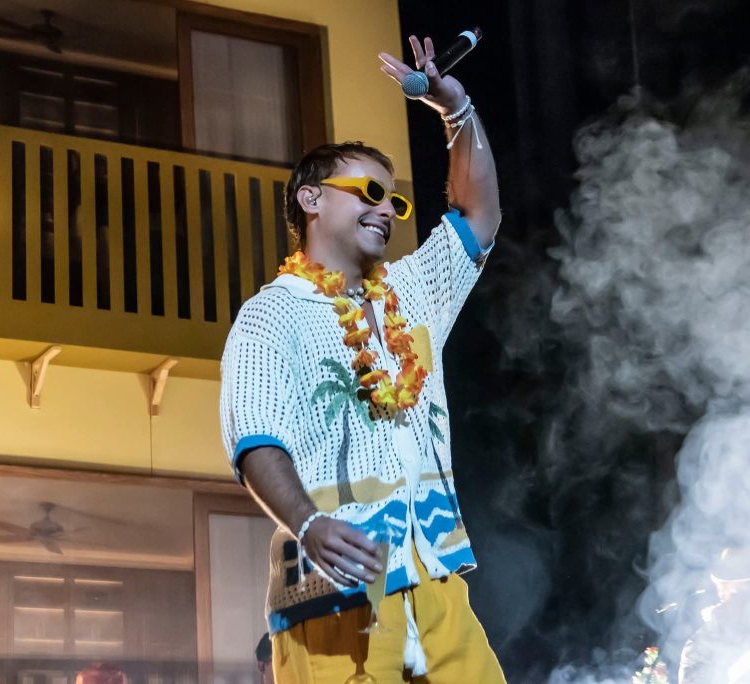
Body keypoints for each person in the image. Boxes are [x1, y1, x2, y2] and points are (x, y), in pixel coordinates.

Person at [219, 34, 504, 684]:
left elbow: (479, 215)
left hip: (434, 573)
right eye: (369, 191)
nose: (386, 208)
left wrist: (455, 109)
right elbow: (256, 441)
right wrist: (308, 523)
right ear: (311, 199)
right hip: (330, 584)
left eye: (393, 200)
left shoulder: (413, 290)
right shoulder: (272, 314)